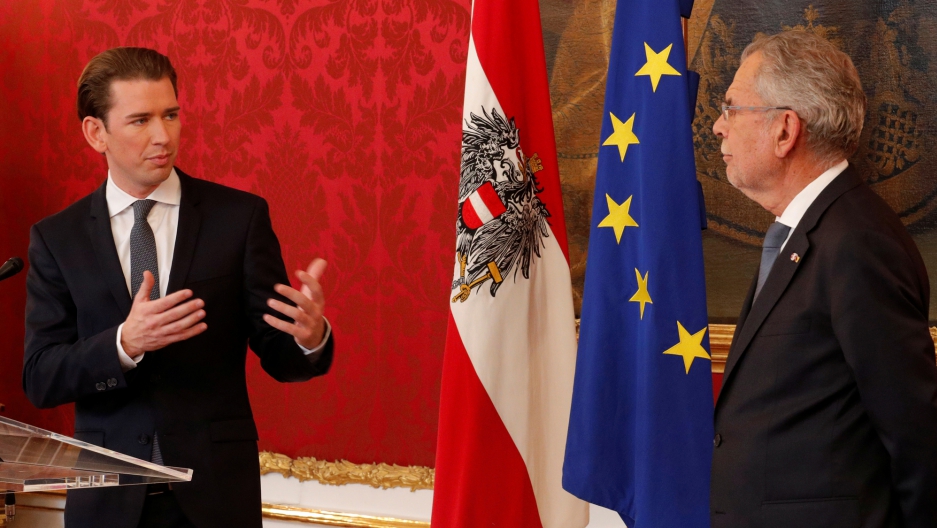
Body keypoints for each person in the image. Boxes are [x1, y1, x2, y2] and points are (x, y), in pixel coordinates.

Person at [22, 47, 334, 528]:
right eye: (140, 120)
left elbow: (280, 356)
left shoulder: (239, 219)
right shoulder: (57, 238)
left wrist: (308, 338)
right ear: (95, 133)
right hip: (108, 505)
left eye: (171, 115)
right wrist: (124, 344)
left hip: (214, 498)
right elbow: (41, 377)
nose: (163, 136)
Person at [710, 30, 937, 527]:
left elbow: (916, 434)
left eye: (731, 108)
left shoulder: (858, 243)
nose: (716, 127)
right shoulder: (810, 230)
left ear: (785, 130)